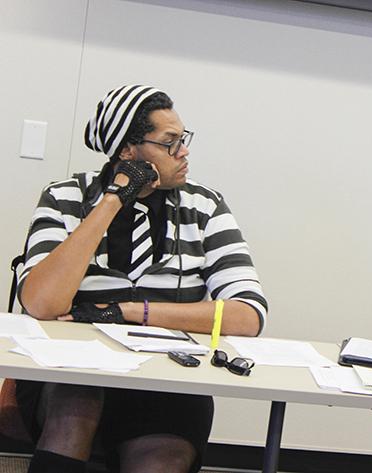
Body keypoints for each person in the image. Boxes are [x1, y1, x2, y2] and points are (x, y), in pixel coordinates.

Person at [15, 85, 268, 473]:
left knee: (163, 457)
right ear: (128, 151)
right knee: (75, 411)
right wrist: (114, 199)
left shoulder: (204, 205)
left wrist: (127, 311)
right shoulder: (64, 197)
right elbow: (42, 303)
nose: (184, 152)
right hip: (72, 373)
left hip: (165, 375)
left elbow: (248, 315)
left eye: (183, 139)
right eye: (170, 143)